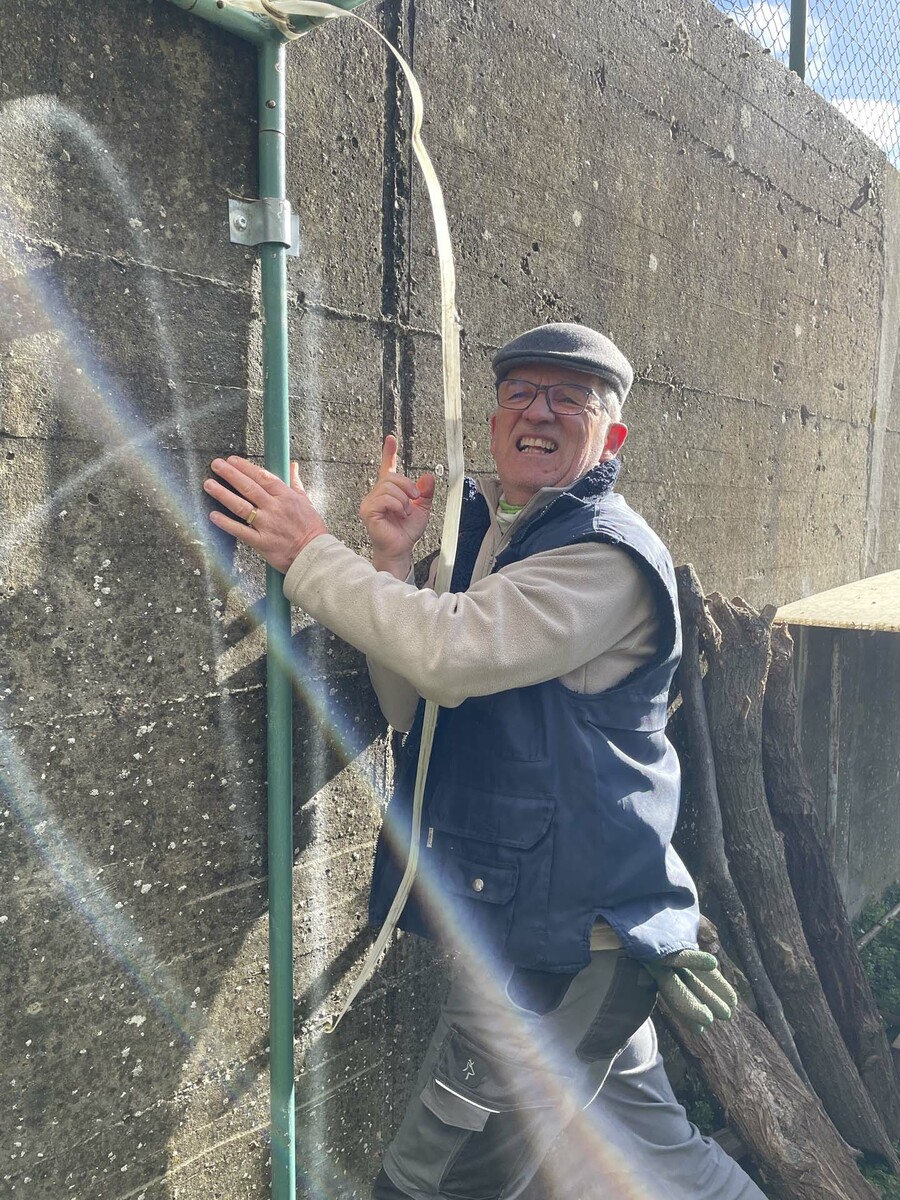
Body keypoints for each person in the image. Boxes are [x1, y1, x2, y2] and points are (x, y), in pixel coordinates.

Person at [204, 322, 765, 1200]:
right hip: (563, 932)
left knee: (434, 1181)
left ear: (612, 436)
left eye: (569, 399)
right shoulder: (500, 540)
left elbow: (448, 654)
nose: (538, 412)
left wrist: (310, 553)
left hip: (560, 949)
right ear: (496, 417)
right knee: (659, 1163)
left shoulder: (604, 557)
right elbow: (416, 709)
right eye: (520, 393)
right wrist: (392, 560)